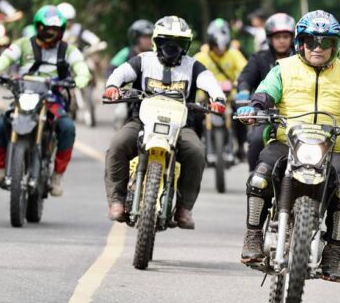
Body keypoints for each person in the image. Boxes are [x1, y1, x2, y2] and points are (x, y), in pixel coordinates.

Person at [236, 10, 340, 282]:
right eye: (312, 41)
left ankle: (333, 251)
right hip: (286, 141)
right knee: (259, 179)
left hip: (329, 149)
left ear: (335, 46)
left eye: (326, 43)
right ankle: (253, 235)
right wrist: (255, 107)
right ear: (300, 43)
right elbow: (265, 93)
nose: (318, 48)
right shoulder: (283, 68)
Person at [103, 16, 226, 229]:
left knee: (197, 152)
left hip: (181, 126)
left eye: (178, 42)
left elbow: (209, 82)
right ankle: (117, 200)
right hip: (141, 121)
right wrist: (113, 86)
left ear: (186, 45)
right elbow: (120, 73)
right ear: (156, 42)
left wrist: (218, 99)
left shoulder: (194, 65)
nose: (172, 47)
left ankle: (184, 208)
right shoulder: (143, 60)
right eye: (166, 41)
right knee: (117, 145)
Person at [0, 5, 92, 196]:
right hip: (23, 95)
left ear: (61, 30)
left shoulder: (68, 49)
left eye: (55, 29)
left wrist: (82, 76)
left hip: (52, 99)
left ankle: (57, 176)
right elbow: (6, 58)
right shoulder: (23, 44)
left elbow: (80, 65)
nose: (50, 32)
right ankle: (1, 169)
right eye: (46, 28)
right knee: (0, 125)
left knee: (67, 127)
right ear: (38, 27)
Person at [236, 12, 296, 170]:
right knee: (256, 139)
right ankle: (256, 182)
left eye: (285, 36)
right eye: (277, 37)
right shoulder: (259, 58)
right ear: (270, 38)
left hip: (296, 114)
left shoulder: (301, 60)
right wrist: (243, 91)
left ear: (292, 38)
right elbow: (246, 78)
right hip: (265, 114)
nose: (282, 41)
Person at [193, 18, 248, 158]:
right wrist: (199, 93)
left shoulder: (234, 54)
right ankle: (197, 145)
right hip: (206, 96)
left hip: (230, 94)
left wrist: (240, 84)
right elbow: (193, 73)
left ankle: (241, 146)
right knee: (195, 115)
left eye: (223, 45)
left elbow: (245, 70)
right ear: (211, 43)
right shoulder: (202, 56)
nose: (220, 49)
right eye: (217, 45)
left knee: (241, 115)